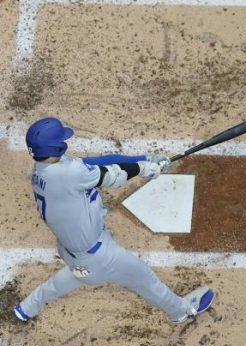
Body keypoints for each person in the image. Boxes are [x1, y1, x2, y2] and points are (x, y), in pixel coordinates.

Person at [12, 117, 215, 324]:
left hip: (72, 252)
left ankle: (26, 308)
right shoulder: (69, 173)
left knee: (74, 275)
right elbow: (113, 176)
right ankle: (181, 311)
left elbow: (103, 161)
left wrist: (146, 157)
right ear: (56, 146)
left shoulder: (44, 169)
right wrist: (146, 169)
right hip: (99, 257)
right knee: (144, 278)